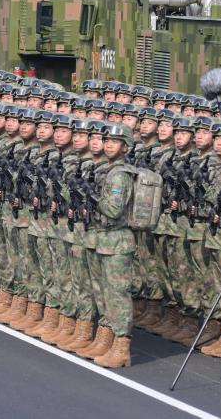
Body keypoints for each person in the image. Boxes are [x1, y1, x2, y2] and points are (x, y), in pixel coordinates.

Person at [76, 123, 136, 368]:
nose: (109, 144)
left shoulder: (120, 175)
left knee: (117, 295)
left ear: (125, 147)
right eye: (107, 140)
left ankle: (121, 347)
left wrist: (91, 196)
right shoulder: (106, 170)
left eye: (115, 141)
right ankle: (105, 338)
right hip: (102, 239)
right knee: (101, 292)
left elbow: (113, 208)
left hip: (117, 240)